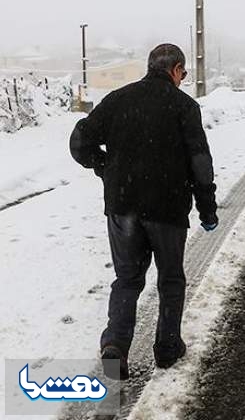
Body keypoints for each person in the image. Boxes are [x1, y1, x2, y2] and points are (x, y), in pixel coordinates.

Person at [69, 43, 218, 380]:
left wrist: (105, 166)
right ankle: (167, 348)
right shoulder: (184, 106)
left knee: (127, 279)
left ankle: (115, 347)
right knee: (170, 277)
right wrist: (207, 209)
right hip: (167, 207)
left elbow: (79, 142)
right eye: (183, 73)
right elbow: (200, 162)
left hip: (122, 207)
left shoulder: (118, 100)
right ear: (176, 69)